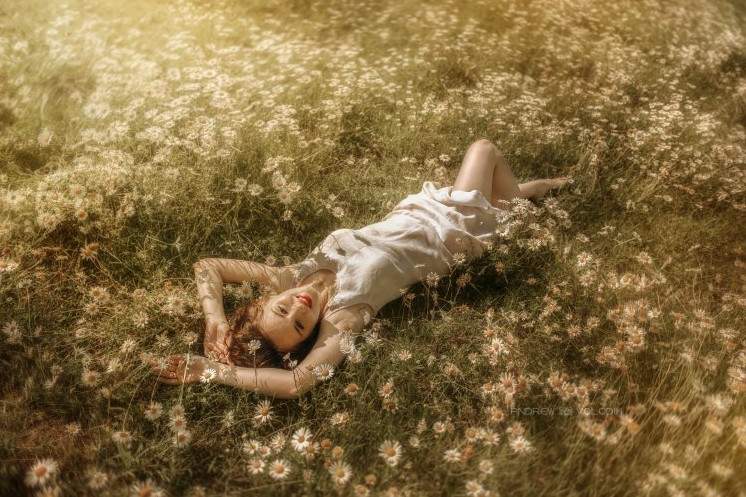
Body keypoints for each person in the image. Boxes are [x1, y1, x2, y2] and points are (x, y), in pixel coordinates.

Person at [148, 139, 570, 398]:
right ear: (309, 335)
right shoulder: (345, 315)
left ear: (262, 302)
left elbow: (207, 267)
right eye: (300, 326)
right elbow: (296, 384)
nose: (300, 307)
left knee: (500, 188)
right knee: (483, 150)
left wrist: (216, 320)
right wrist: (210, 372)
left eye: (282, 310)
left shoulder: (289, 275)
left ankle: (527, 196)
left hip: (420, 209)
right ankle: (525, 205)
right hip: (455, 229)